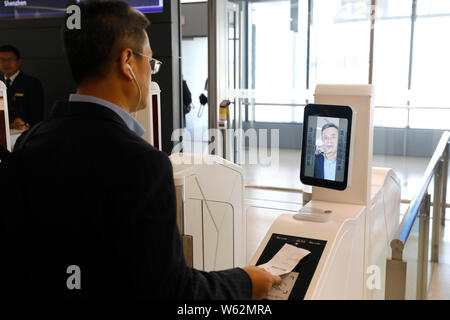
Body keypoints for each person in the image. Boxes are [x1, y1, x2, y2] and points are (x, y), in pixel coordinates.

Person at [0, 0, 280, 299]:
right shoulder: (142, 164)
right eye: (150, 61)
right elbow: (171, 291)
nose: (151, 71)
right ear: (127, 62)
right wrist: (246, 283)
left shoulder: (34, 141)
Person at [0, 45, 44, 131]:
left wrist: (24, 122)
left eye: (10, 59)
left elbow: (37, 115)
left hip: (23, 133)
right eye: (2, 60)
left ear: (19, 61)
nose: (6, 63)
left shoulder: (32, 83)